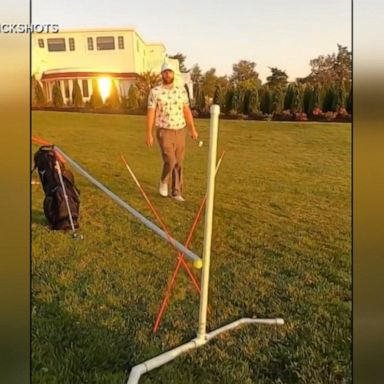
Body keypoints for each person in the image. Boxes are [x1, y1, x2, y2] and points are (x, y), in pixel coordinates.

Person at [146, 62, 198, 202]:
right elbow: (151, 112)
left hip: (180, 130)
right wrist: (149, 133)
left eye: (170, 72)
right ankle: (164, 180)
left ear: (174, 74)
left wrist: (192, 129)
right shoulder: (155, 92)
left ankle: (176, 192)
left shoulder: (181, 91)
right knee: (170, 160)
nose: (168, 74)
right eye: (165, 72)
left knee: (179, 162)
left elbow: (186, 111)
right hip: (164, 130)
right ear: (161, 74)